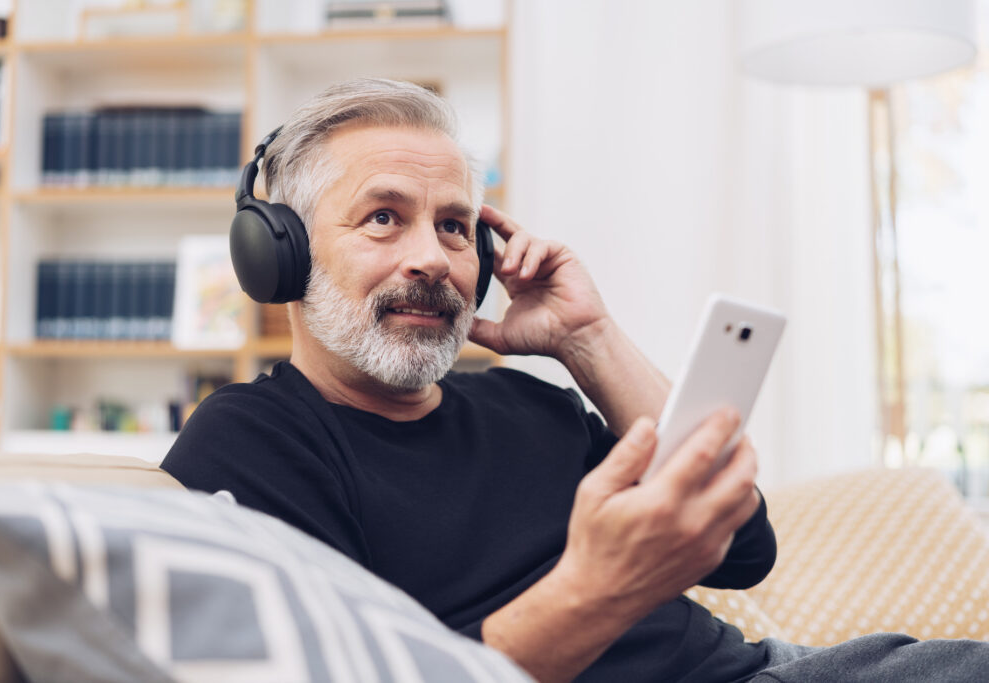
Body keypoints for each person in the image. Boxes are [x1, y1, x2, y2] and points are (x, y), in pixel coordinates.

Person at [163, 78, 988, 682]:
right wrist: (595, 588)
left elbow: (744, 548)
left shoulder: (530, 401)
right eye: (384, 217)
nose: (431, 257)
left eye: (455, 227)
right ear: (282, 255)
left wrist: (587, 338)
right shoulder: (249, 443)